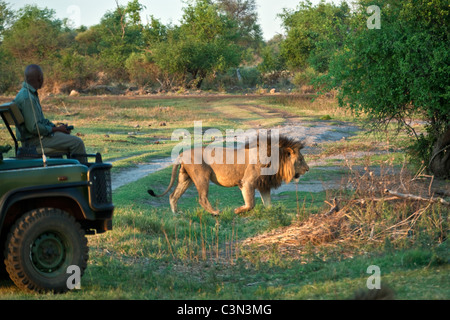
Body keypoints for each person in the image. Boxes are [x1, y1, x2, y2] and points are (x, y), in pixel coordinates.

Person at [13, 64, 86, 162]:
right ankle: (83, 173)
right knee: (77, 143)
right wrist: (55, 129)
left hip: (36, 138)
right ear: (40, 78)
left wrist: (58, 129)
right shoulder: (27, 98)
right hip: (35, 142)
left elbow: (41, 121)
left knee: (68, 138)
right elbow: (34, 128)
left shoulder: (29, 94)